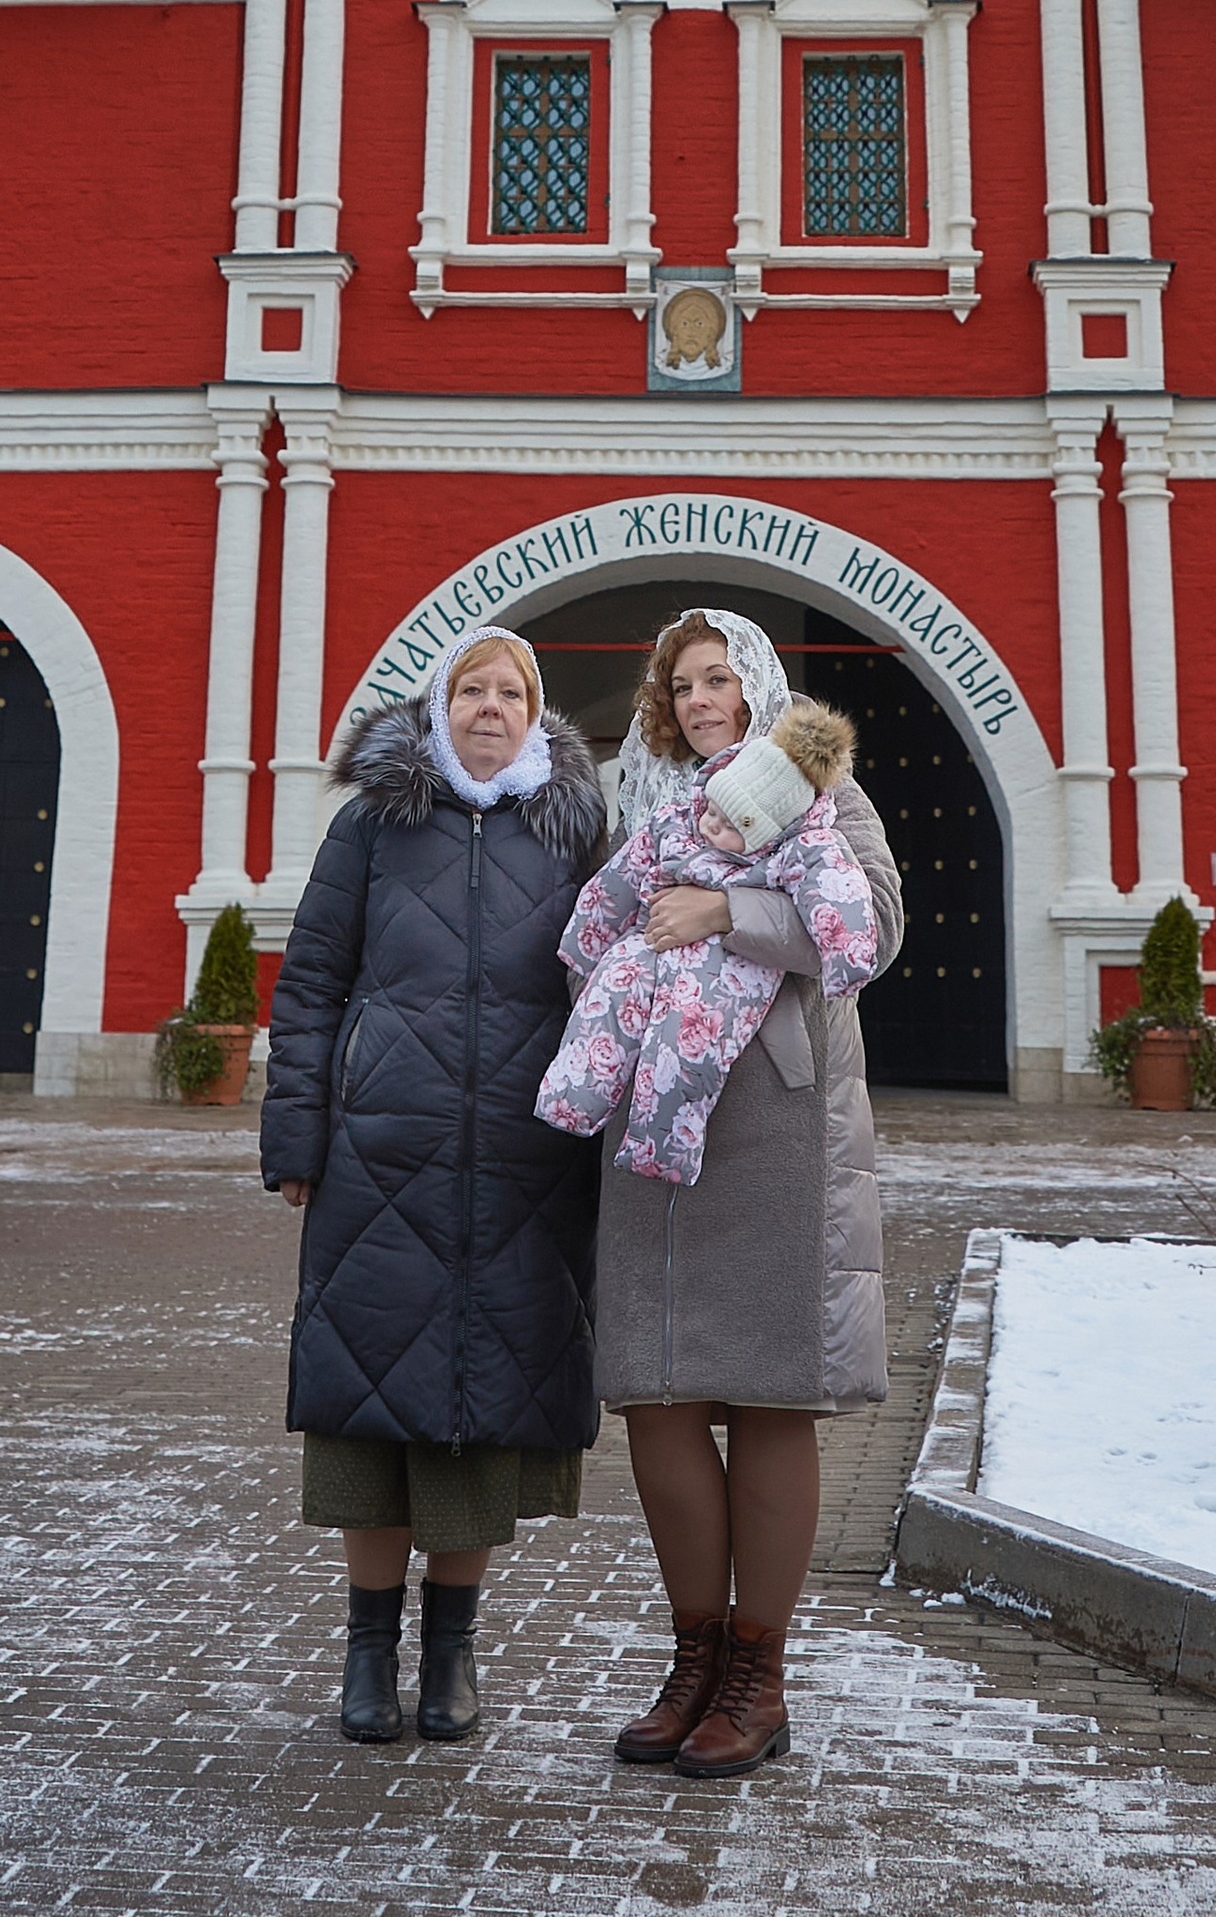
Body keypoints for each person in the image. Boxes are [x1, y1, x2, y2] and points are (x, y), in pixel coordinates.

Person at [259, 628, 608, 1746]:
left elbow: (612, 989)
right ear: (439, 704)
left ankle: (451, 1651)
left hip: (525, 1162)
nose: (490, 706)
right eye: (472, 688)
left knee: (483, 1413)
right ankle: (368, 1653)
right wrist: (298, 1137)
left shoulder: (574, 835)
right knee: (371, 1410)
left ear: (537, 711)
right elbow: (310, 982)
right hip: (382, 1153)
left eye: (511, 691)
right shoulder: (372, 824)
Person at [594, 609, 904, 1782]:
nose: (701, 698)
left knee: (772, 1395)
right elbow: (603, 931)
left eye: (720, 677)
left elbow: (871, 928)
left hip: (775, 1121)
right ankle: (693, 1660)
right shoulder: (644, 806)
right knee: (659, 1394)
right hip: (652, 1127)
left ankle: (757, 1680)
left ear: (758, 685)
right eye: (681, 684)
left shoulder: (825, 794)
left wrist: (728, 909)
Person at [537, 699, 876, 1185]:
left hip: (725, 968)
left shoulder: (805, 841)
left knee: (687, 1046)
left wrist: (846, 960)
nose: (711, 825)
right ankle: (571, 1100)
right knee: (609, 994)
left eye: (733, 824)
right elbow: (619, 878)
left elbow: (842, 897)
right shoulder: (677, 817)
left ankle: (663, 1148)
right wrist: (588, 941)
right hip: (650, 943)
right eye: (713, 810)